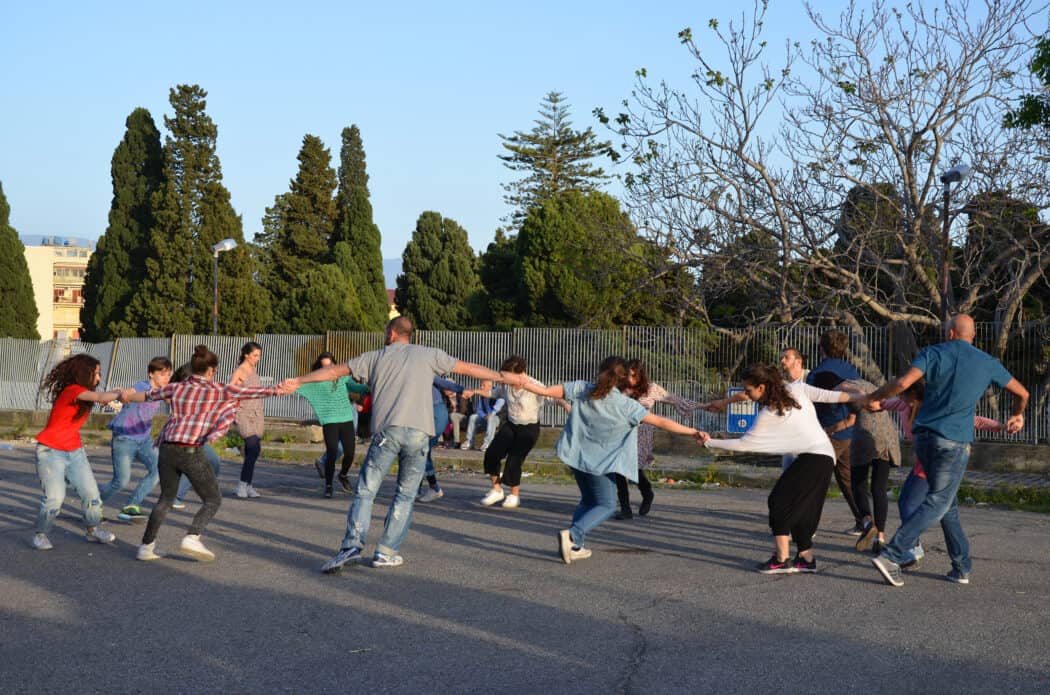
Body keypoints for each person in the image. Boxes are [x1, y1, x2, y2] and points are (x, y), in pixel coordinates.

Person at [281, 316, 514, 573]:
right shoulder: (429, 355)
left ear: (392, 333)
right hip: (418, 434)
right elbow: (467, 368)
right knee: (404, 495)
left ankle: (351, 546)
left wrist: (299, 380)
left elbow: (334, 371)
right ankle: (386, 552)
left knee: (366, 491)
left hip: (387, 434)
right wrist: (502, 377)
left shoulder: (375, 357)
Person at [864, 315, 1026, 587]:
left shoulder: (933, 352)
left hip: (925, 440)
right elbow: (1023, 393)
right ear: (972, 335)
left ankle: (961, 566)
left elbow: (903, 384)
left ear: (950, 333)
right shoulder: (987, 362)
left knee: (946, 504)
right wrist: (1017, 415)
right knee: (939, 500)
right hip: (954, 442)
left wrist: (874, 396)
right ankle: (892, 553)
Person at [509, 356, 703, 564]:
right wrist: (693, 432)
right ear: (622, 380)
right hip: (600, 464)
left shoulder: (582, 388)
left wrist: (523, 382)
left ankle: (575, 545)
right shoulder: (626, 405)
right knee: (607, 505)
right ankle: (573, 535)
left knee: (588, 500)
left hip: (576, 457)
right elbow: (662, 421)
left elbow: (546, 391)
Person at [121, 344, 287, 561]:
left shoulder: (176, 387)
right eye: (214, 371)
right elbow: (247, 392)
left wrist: (125, 396)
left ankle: (146, 546)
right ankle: (192, 536)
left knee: (166, 499)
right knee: (213, 499)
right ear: (210, 371)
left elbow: (148, 395)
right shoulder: (217, 389)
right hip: (190, 449)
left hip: (167, 447)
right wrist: (276, 389)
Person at [700, 364, 855, 574]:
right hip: (824, 457)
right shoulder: (796, 389)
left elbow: (745, 444)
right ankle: (806, 558)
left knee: (778, 501)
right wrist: (861, 397)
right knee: (803, 508)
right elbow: (835, 397)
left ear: (762, 387)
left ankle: (782, 559)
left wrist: (710, 443)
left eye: (748, 390)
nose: (746, 394)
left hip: (815, 459)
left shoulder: (769, 412)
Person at [872, 379, 1003, 568]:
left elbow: (973, 420)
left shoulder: (934, 407)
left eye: (903, 395)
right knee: (948, 513)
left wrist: (1001, 426)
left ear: (915, 394)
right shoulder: (904, 404)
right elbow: (883, 404)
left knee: (907, 502)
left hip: (938, 460)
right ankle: (962, 566)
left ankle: (911, 547)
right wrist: (867, 402)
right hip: (925, 460)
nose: (900, 398)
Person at [31, 354, 122, 550]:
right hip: (50, 451)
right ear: (83, 373)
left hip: (75, 451)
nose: (98, 378)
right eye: (96, 373)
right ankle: (41, 534)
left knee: (91, 492)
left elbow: (101, 397)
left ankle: (93, 529)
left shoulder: (84, 394)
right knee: (55, 496)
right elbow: (99, 397)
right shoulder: (73, 390)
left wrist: (116, 396)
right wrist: (121, 393)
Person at [614, 358, 698, 519]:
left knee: (634, 469)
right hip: (622, 433)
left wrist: (701, 406)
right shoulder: (619, 389)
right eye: (627, 375)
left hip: (641, 435)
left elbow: (674, 399)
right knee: (618, 469)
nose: (630, 380)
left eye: (634, 376)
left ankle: (647, 493)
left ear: (641, 375)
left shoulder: (651, 389)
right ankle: (625, 508)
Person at [98, 356, 173, 523]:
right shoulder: (142, 386)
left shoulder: (162, 391)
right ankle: (92, 504)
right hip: (124, 438)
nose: (166, 378)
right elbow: (127, 393)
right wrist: (114, 396)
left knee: (158, 470)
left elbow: (172, 399)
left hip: (144, 440)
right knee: (121, 482)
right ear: (151, 374)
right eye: (162, 374)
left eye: (169, 375)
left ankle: (131, 506)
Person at [806, 330, 865, 534]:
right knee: (847, 479)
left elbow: (811, 402)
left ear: (821, 348)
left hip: (828, 431)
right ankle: (864, 520)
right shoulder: (852, 370)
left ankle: (808, 525)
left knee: (814, 479)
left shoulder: (817, 373)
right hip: (851, 431)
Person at [474, 355, 550, 509]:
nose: (503, 377)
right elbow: (493, 394)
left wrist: (566, 405)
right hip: (511, 424)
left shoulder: (534, 385)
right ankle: (497, 490)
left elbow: (551, 395)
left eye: (506, 374)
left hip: (529, 428)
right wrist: (473, 391)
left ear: (518, 373)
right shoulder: (505, 386)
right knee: (492, 454)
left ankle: (514, 495)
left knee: (514, 461)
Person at [839, 378, 902, 554]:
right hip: (887, 440)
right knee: (879, 489)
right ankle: (880, 538)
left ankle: (867, 523)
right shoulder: (873, 387)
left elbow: (850, 396)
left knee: (858, 484)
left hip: (864, 440)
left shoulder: (845, 386)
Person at [295, 352, 368, 498]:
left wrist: (369, 386)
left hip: (346, 418)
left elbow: (357, 388)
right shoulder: (315, 382)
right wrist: (280, 387)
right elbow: (296, 386)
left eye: (330, 366)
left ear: (334, 365)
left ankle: (343, 475)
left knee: (350, 453)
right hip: (330, 421)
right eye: (323, 367)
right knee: (332, 452)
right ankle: (328, 485)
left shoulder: (342, 377)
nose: (327, 369)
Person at [417, 376, 468, 502]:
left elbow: (444, 383)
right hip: (425, 413)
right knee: (419, 452)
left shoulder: (423, 369)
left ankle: (431, 488)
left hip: (435, 413)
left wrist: (462, 390)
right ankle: (424, 488)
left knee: (421, 451)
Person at [232, 341, 265, 499]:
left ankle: (248, 484)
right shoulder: (240, 371)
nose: (258, 358)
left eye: (259, 355)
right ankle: (242, 485)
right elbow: (231, 392)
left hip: (257, 413)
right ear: (246, 355)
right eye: (255, 355)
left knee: (255, 450)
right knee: (252, 445)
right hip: (243, 413)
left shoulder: (254, 368)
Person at [460, 380, 504, 451]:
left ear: (490, 386)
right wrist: (484, 416)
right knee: (473, 417)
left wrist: (492, 414)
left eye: (483, 385)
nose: (481, 387)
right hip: (485, 418)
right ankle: (469, 442)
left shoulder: (497, 392)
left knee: (491, 418)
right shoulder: (483, 395)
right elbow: (479, 410)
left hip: (497, 418)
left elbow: (500, 403)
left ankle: (488, 443)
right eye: (481, 385)